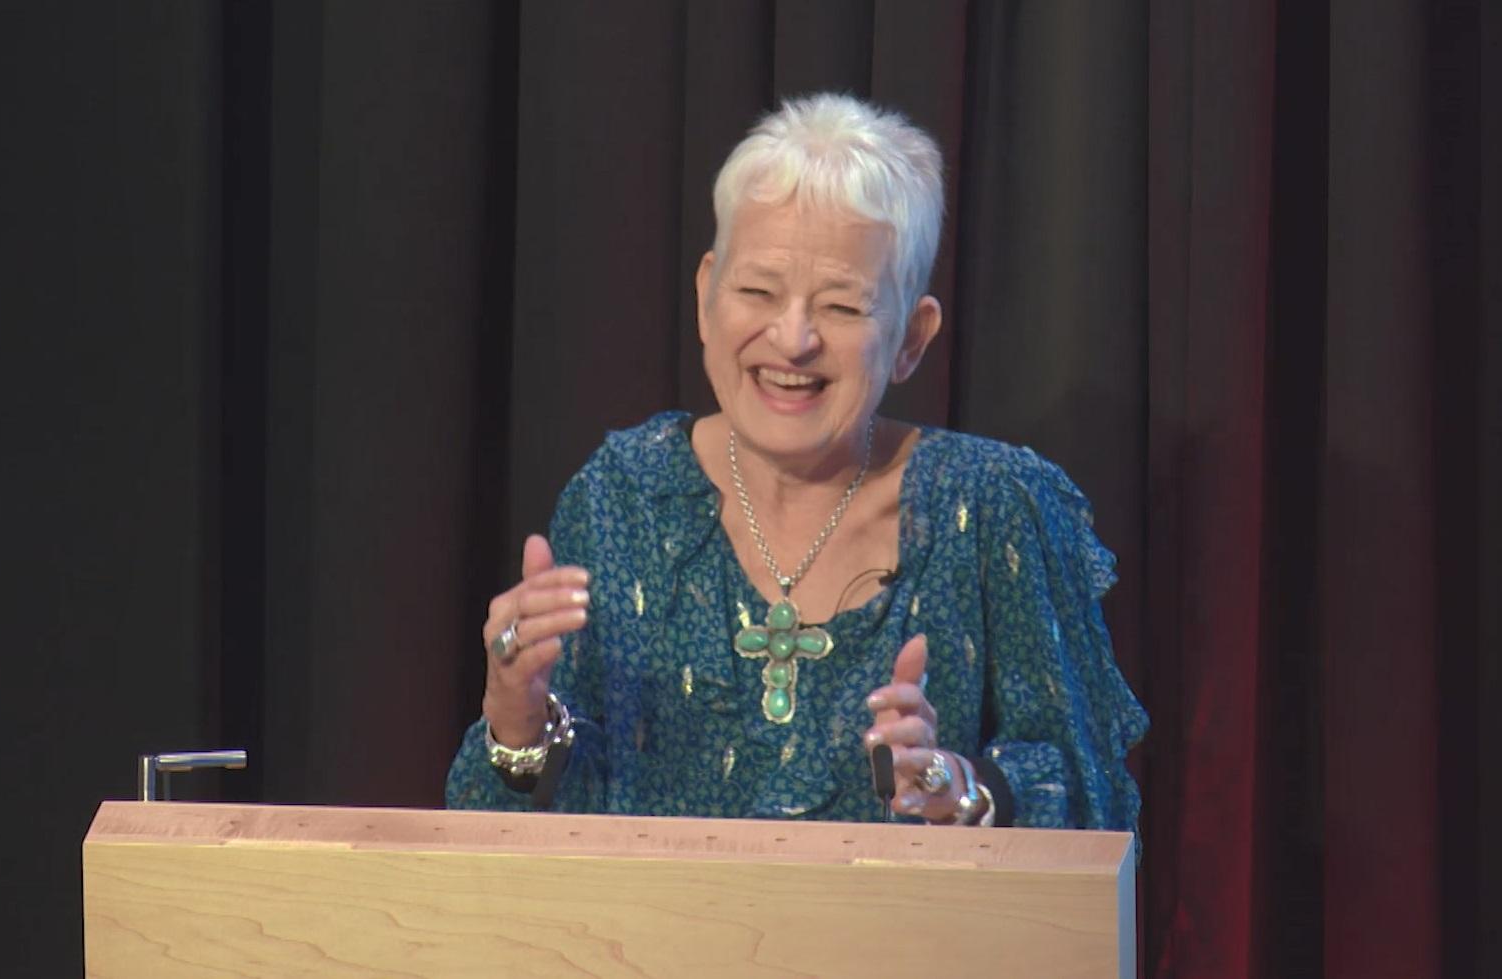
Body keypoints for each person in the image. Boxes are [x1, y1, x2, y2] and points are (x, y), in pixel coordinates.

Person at [447, 93, 1147, 830]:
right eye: (756, 291)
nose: (793, 338)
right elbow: (543, 823)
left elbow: (1086, 799)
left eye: (842, 307)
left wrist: (960, 788)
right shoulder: (622, 494)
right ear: (705, 297)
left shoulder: (998, 506)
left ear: (911, 336)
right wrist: (515, 718)